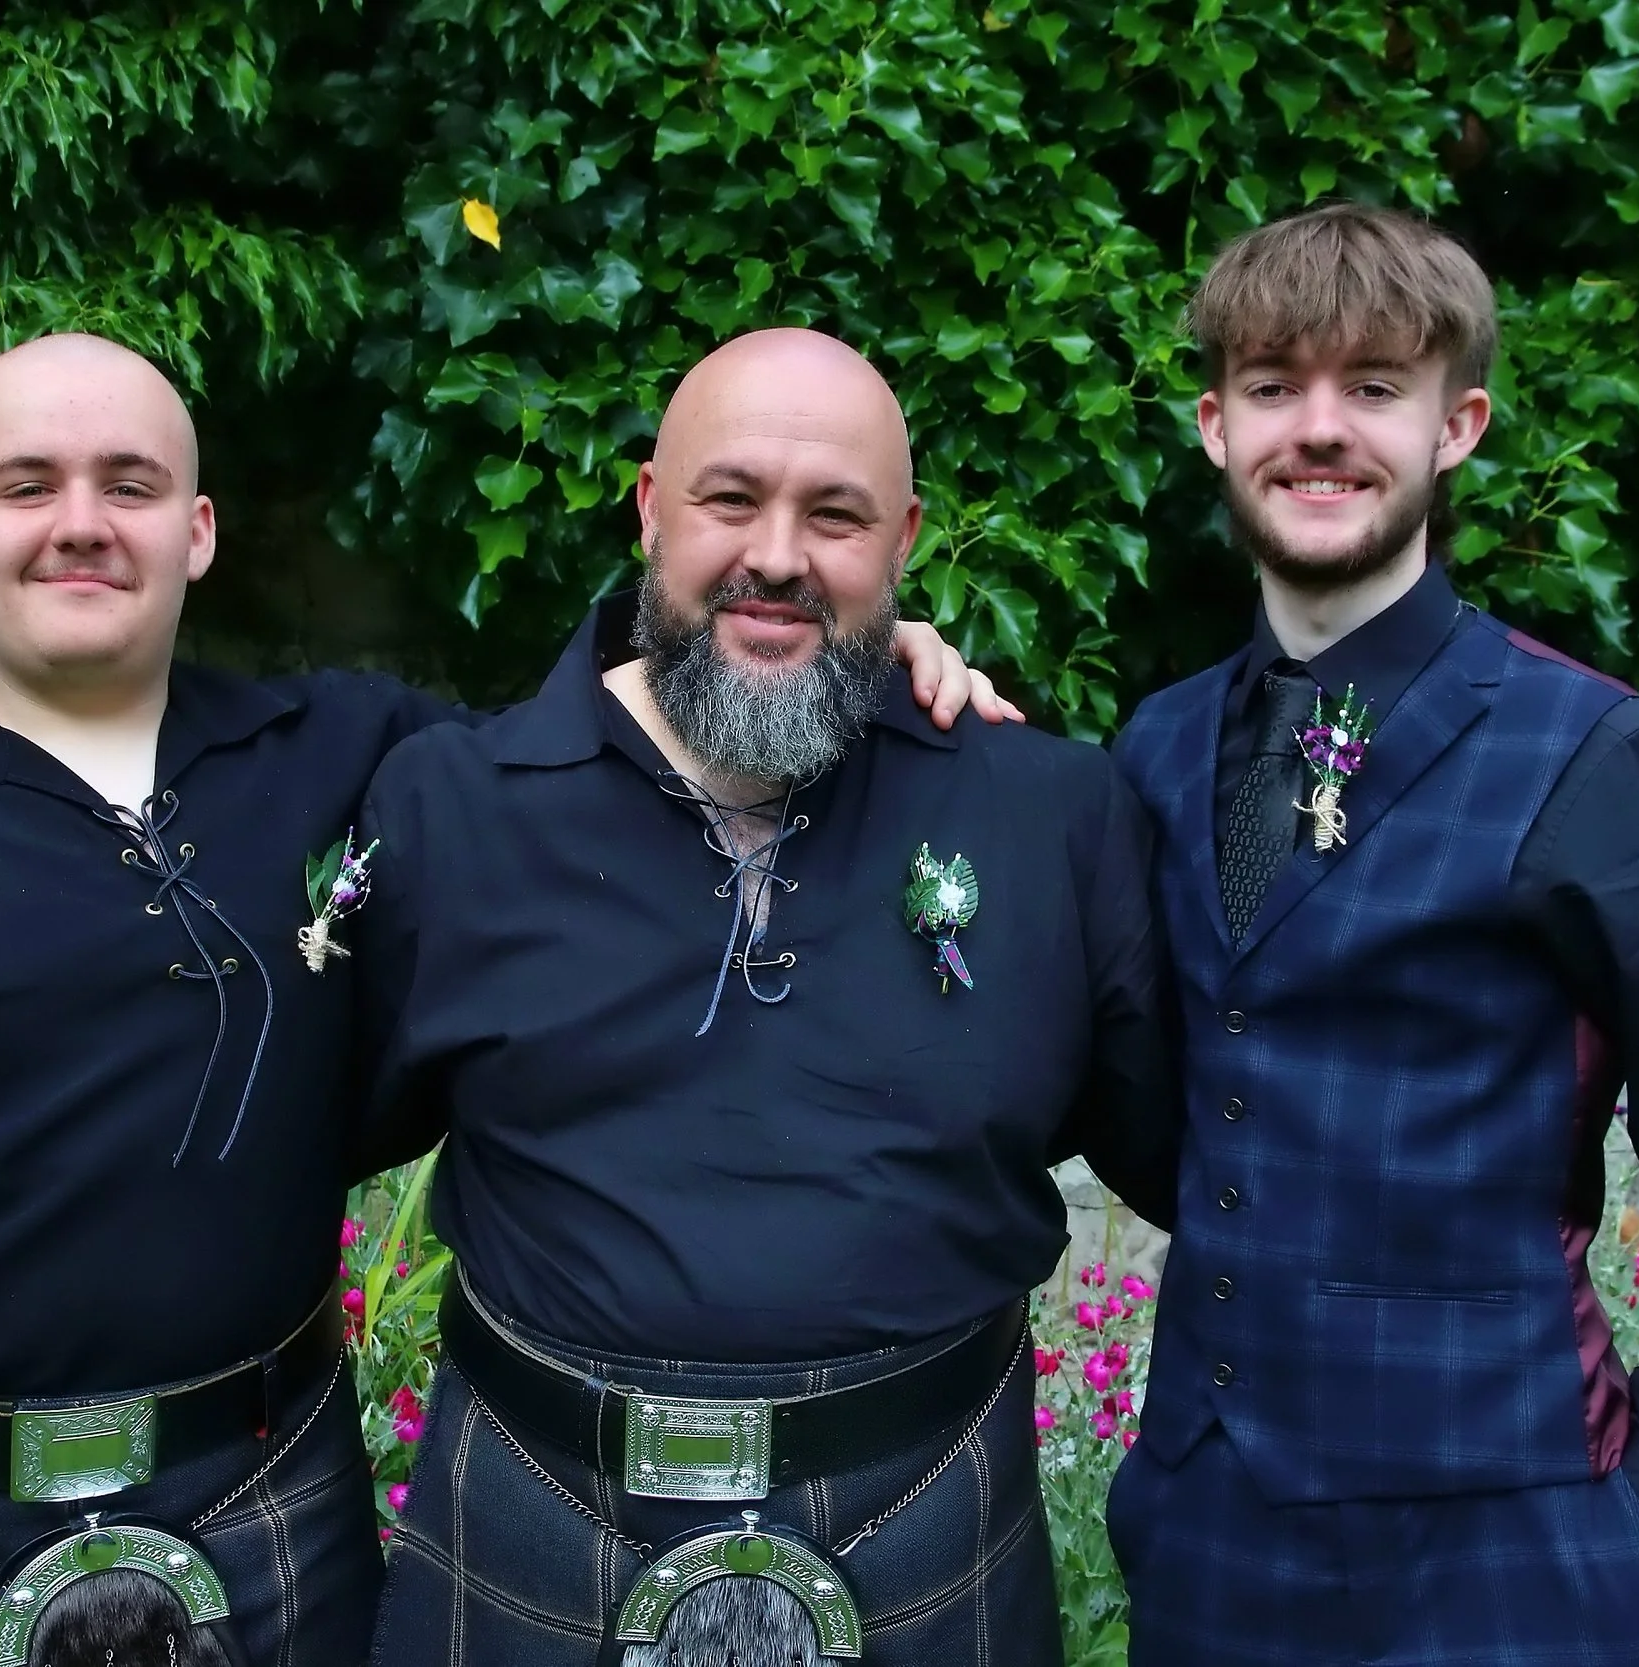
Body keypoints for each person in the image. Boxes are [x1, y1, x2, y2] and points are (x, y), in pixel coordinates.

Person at [0, 332, 1007, 1667]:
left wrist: (847, 648)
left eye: (129, 485)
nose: (81, 523)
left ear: (196, 531)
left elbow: (612, 744)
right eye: (27, 487)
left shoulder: (353, 758)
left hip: (269, 1506)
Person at [352, 327, 1175, 1666]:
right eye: (730, 499)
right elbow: (286, 1138)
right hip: (530, 1529)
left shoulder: (1054, 818)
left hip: (929, 1532)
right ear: (649, 508)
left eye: (836, 517)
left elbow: (1196, 1162)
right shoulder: (449, 809)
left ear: (903, 539)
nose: (778, 556)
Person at [1106, 204, 1639, 1665]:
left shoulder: (1595, 755)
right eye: (1274, 386)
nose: (1320, 428)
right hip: (1207, 1540)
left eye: (1376, 386)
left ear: (1457, 428)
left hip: (1512, 1549)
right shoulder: (1159, 747)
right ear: (1214, 425)